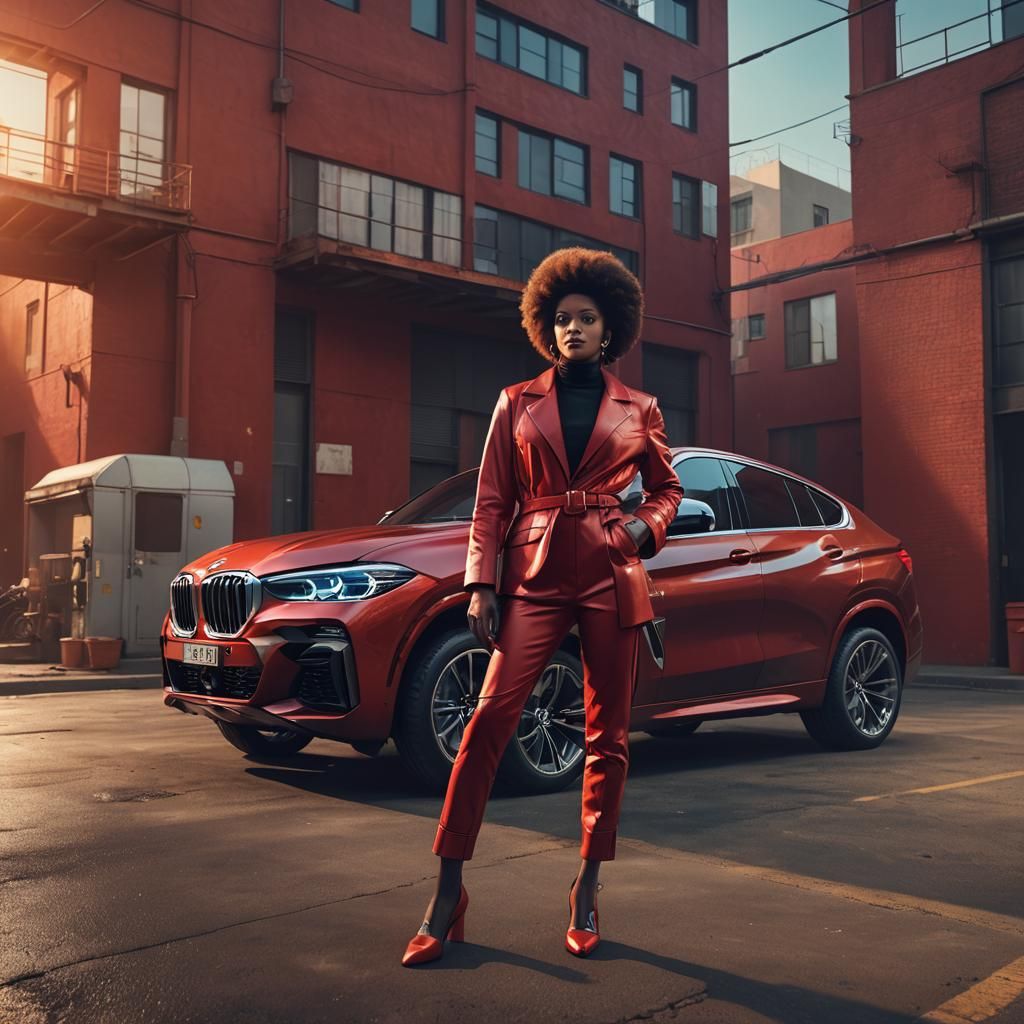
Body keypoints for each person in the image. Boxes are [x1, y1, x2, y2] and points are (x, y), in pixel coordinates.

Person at [401, 247, 684, 966]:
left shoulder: (640, 408)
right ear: (546, 328)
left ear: (610, 327)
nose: (573, 330)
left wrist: (640, 528)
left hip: (610, 575)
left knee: (607, 738)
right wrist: (478, 583)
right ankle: (447, 891)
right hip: (532, 574)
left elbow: (668, 490)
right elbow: (491, 498)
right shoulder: (514, 401)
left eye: (587, 319)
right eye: (562, 320)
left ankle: (587, 886)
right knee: (490, 719)